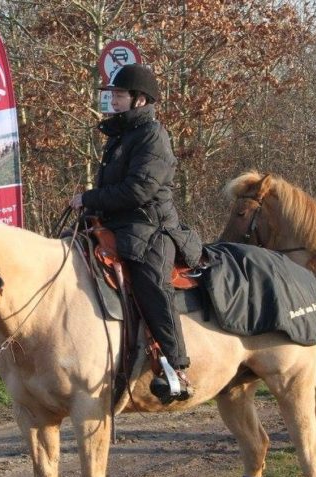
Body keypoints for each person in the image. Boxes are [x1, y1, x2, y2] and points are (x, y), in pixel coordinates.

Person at [70, 64, 202, 403]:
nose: (112, 99)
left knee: (151, 282)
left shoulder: (153, 136)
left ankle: (176, 367)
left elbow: (139, 190)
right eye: (112, 94)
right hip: (115, 224)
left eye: (119, 94)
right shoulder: (120, 135)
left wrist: (90, 198)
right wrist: (91, 208)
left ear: (139, 100)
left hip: (150, 226)